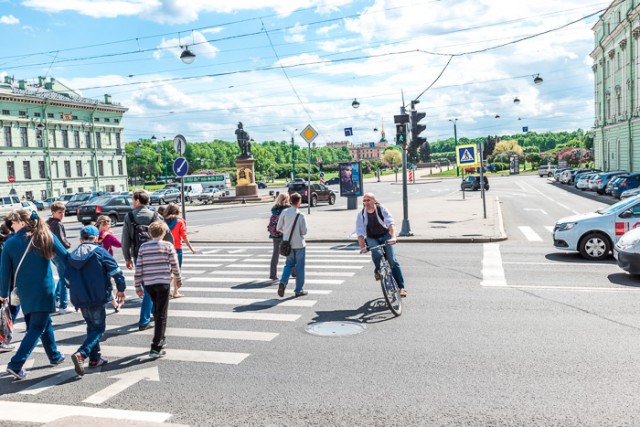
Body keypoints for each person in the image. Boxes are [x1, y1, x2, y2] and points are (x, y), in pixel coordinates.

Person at [0, 209, 69, 380]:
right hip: (43, 290)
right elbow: (66, 257)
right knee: (38, 325)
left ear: (22, 222)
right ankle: (16, 364)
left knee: (42, 322)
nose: (11, 226)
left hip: (24, 291)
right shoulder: (45, 236)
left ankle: (54, 356)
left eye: (13, 223)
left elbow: (4, 272)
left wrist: (3, 294)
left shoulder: (10, 243)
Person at [66, 225, 126, 377]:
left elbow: (66, 278)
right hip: (97, 296)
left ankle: (95, 358)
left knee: (91, 327)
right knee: (98, 329)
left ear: (81, 239)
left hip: (79, 298)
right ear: (97, 239)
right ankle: (82, 354)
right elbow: (115, 271)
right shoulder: (100, 252)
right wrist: (121, 288)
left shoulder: (72, 254)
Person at [122, 190, 173, 331]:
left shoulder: (129, 216)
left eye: (133, 199)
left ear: (138, 201)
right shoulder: (155, 215)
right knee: (152, 287)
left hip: (139, 254)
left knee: (147, 288)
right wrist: (169, 251)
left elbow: (125, 239)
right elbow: (167, 234)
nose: (132, 202)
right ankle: (146, 318)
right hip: (157, 254)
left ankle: (147, 317)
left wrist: (127, 258)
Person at [134, 221, 182, 359]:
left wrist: (138, 286)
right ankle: (156, 346)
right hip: (163, 283)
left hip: (149, 283)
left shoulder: (143, 247)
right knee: (161, 314)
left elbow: (139, 269)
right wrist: (178, 279)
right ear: (164, 233)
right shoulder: (168, 246)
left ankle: (161, 337)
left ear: (149, 233)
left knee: (157, 310)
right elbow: (174, 264)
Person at [356, 193, 407, 297]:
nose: (366, 202)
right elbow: (360, 233)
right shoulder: (361, 214)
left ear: (374, 201)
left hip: (385, 235)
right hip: (371, 237)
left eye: (368, 200)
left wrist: (393, 237)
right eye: (364, 200)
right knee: (376, 252)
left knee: (392, 259)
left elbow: (390, 224)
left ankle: (401, 288)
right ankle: (377, 270)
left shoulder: (381, 209)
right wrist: (362, 247)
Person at [276, 192, 308, 298]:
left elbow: (278, 227)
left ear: (290, 201)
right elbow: (304, 231)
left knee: (288, 264)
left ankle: (283, 282)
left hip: (287, 244)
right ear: (299, 202)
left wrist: (286, 232)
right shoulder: (301, 215)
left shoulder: (284, 212)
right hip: (299, 244)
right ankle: (298, 290)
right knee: (300, 268)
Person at [163, 203, 197, 298]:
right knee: (176, 270)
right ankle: (175, 292)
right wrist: (192, 248)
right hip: (177, 249)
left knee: (167, 270)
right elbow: (184, 237)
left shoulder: (163, 222)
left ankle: (167, 290)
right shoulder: (179, 222)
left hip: (165, 248)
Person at [47, 201, 73, 314]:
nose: (62, 215)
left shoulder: (48, 222)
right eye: (59, 212)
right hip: (59, 253)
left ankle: (57, 300)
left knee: (62, 277)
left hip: (51, 253)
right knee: (64, 278)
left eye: (63, 212)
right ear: (53, 212)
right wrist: (68, 245)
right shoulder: (58, 224)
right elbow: (61, 240)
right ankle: (63, 305)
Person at [96, 215, 123, 312]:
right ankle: (114, 304)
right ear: (104, 224)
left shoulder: (93, 233)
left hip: (93, 262)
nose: (110, 227)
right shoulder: (108, 235)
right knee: (106, 285)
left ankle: (114, 303)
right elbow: (120, 245)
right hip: (105, 263)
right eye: (109, 225)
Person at [268, 193, 290, 281]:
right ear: (285, 200)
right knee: (290, 253)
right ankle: (294, 272)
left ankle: (273, 274)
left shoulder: (274, 209)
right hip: (284, 234)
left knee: (275, 254)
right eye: (288, 199)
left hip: (274, 234)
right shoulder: (287, 209)